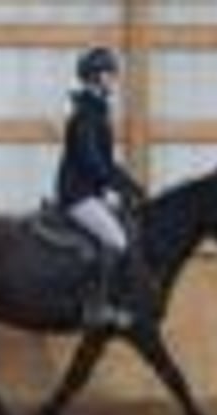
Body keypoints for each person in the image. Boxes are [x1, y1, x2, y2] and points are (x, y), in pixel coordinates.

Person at [55, 46, 148, 329]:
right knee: (117, 240)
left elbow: (106, 162)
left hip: (90, 192)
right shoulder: (85, 115)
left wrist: (132, 187)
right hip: (77, 194)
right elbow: (93, 163)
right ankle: (97, 307)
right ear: (95, 76)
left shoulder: (96, 110)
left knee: (129, 225)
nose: (114, 78)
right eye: (109, 73)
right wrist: (123, 188)